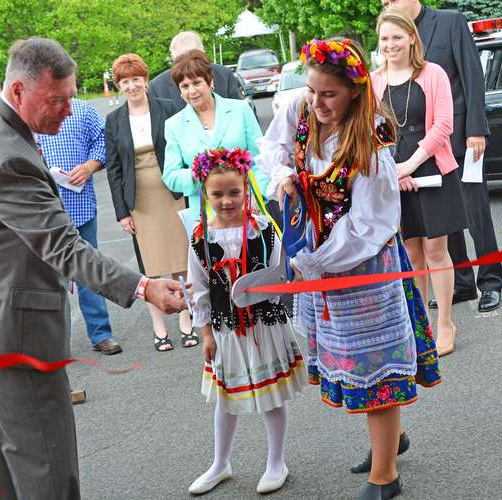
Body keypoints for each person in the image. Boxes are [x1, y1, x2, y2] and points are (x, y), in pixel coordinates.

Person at [0, 37, 187, 500]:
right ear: (17, 92)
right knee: (44, 461)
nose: (69, 111)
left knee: (1, 459)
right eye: (58, 99)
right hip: (10, 330)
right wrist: (143, 285)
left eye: (72, 96)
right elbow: (65, 248)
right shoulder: (7, 156)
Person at [258, 38, 435, 499]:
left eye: (328, 94)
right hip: (319, 266)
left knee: (376, 369)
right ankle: (389, 444)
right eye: (313, 91)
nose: (317, 103)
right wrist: (283, 178)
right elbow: (273, 147)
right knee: (351, 363)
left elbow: (370, 224)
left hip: (362, 268)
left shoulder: (371, 144)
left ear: (355, 91)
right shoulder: (301, 108)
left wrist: (316, 261)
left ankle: (385, 477)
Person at [186, 147, 306, 495]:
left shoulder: (265, 229)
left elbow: (284, 272)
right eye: (217, 194)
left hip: (265, 326)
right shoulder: (199, 239)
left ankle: (276, 462)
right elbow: (201, 291)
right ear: (205, 194)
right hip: (225, 331)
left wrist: (292, 276)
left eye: (234, 192)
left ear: (246, 190)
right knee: (226, 400)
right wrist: (205, 333)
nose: (226, 201)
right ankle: (220, 463)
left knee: (272, 398)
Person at [382, 0, 502, 313]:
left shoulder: (450, 22)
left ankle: (490, 282)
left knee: (476, 212)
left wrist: (477, 128)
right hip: (421, 150)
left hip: (461, 137)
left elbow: (472, 75)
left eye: (392, 0)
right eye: (384, 2)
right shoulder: (394, 35)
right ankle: (461, 284)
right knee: (446, 222)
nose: (388, 4)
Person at [372, 7, 466, 356]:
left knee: (436, 250)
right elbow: (372, 133)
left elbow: (443, 125)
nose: (390, 44)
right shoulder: (373, 81)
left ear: (412, 38)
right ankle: (420, 324)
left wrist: (411, 165)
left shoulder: (433, 74)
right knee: (410, 252)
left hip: (430, 170)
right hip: (393, 175)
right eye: (384, 38)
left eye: (397, 37)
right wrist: (394, 172)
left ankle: (446, 324)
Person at [105, 53, 193, 352]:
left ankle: (185, 319)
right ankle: (159, 329)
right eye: (125, 81)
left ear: (145, 80)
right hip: (139, 201)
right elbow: (114, 170)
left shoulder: (168, 108)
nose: (131, 86)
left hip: (172, 193)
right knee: (152, 267)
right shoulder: (114, 120)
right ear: (119, 85)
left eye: (136, 79)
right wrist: (122, 212)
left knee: (181, 261)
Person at [38, 98, 124, 355]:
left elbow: (103, 140)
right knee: (47, 280)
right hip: (41, 210)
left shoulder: (82, 109)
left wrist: (89, 166)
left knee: (89, 270)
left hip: (79, 202)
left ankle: (101, 334)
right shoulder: (30, 109)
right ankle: (53, 344)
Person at [162, 49, 271, 235]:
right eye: (185, 86)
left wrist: (257, 198)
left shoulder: (240, 110)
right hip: (206, 218)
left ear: (210, 82)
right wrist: (197, 174)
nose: (192, 91)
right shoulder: (174, 125)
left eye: (197, 83)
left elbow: (260, 158)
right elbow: (170, 176)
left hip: (248, 208)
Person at [149, 31, 243, 113]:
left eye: (195, 57)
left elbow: (241, 113)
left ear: (203, 53)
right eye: (181, 60)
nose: (189, 64)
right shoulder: (157, 87)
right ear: (172, 58)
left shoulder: (224, 75)